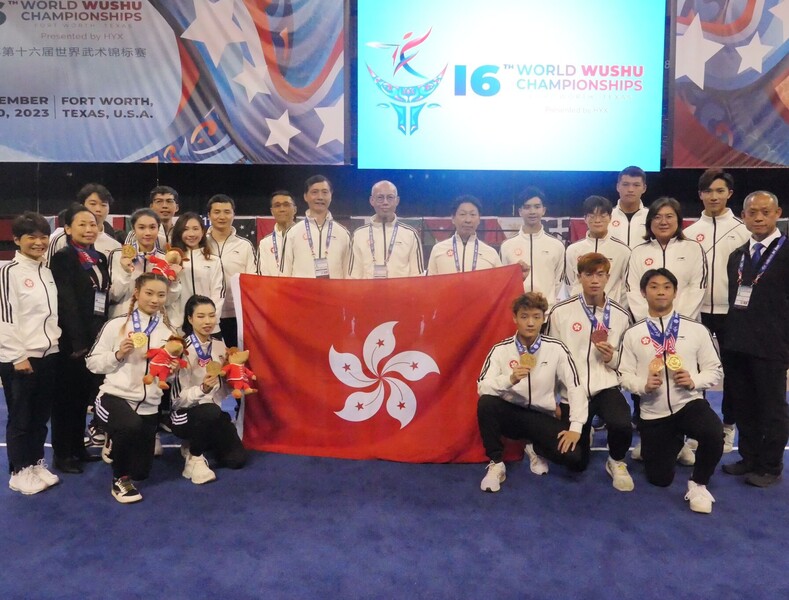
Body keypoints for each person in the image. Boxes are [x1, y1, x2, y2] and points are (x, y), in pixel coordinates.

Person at [618, 268, 723, 513]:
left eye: (666, 286)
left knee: (713, 432)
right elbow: (623, 375)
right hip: (654, 412)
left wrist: (694, 380)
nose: (661, 292)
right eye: (654, 287)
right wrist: (641, 386)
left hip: (688, 403)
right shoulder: (633, 334)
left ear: (675, 292)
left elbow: (715, 370)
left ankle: (698, 484)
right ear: (644, 293)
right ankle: (673, 443)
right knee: (659, 479)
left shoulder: (696, 329)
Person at [477, 292, 588, 493]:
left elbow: (576, 386)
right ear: (515, 318)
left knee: (576, 460)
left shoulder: (556, 349)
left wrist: (576, 427)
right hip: (511, 414)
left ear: (543, 319)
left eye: (536, 317)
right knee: (486, 403)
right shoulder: (500, 350)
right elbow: (481, 387)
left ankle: (535, 447)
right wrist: (509, 379)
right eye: (524, 316)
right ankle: (496, 462)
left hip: (541, 416)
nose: (530, 323)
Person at [86, 273, 178, 503]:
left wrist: (173, 369)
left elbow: (168, 376)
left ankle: (115, 439)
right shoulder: (116, 325)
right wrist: (118, 355)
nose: (155, 300)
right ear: (136, 294)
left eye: (161, 295)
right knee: (129, 426)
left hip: (149, 404)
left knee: (142, 472)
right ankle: (120, 480)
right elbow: (92, 363)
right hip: (114, 397)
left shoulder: (169, 333)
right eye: (149, 293)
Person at [545, 253, 634, 491]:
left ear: (607, 277)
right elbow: (551, 356)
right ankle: (584, 431)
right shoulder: (560, 312)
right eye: (588, 274)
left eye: (600, 274)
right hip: (571, 393)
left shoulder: (621, 315)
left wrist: (611, 357)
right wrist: (552, 398)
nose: (594, 280)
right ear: (579, 277)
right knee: (575, 463)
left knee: (623, 423)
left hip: (605, 387)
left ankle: (616, 460)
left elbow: (626, 361)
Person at [721, 191, 789, 487]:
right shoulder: (738, 255)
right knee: (743, 405)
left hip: (772, 346)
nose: (758, 217)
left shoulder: (786, 252)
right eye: (752, 213)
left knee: (772, 408)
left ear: (777, 214)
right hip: (737, 343)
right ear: (743, 216)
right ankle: (748, 457)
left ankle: (770, 466)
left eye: (765, 212)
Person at [683, 169, 749, 453]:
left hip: (732, 314)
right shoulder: (688, 233)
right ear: (700, 195)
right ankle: (700, 427)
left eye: (720, 191)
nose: (714, 196)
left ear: (730, 194)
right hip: (697, 315)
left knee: (733, 374)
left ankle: (728, 426)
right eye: (708, 191)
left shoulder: (743, 230)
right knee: (696, 374)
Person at [0, 212, 62, 495]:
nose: (39, 242)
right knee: (21, 417)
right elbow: (4, 318)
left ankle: (36, 464)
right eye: (31, 237)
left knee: (40, 416)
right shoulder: (8, 272)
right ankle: (18, 470)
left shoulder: (46, 271)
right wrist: (16, 356)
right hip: (21, 357)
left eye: (43, 236)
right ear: (16, 240)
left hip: (49, 354)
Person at [49, 204, 111, 474]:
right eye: (83, 224)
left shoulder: (99, 257)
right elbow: (67, 302)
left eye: (94, 224)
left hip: (94, 338)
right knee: (65, 400)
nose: (89, 229)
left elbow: (102, 297)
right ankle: (63, 455)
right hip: (72, 343)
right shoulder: (64, 258)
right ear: (67, 228)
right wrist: (77, 343)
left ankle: (78, 448)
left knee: (81, 399)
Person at [171, 295, 247, 484]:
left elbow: (222, 391)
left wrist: (234, 382)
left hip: (214, 412)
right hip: (184, 414)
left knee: (236, 460)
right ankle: (194, 457)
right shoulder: (181, 349)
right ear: (190, 319)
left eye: (212, 316)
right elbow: (177, 401)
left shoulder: (221, 346)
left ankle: (197, 442)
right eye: (201, 316)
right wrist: (202, 389)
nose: (207, 321)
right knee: (208, 411)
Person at [626, 197, 707, 322]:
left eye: (669, 216)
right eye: (657, 217)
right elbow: (633, 290)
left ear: (678, 220)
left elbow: (698, 288)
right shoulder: (638, 252)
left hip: (686, 324)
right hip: (647, 326)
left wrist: (677, 322)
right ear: (649, 221)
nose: (663, 222)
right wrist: (649, 321)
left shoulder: (693, 249)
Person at [107, 208, 180, 320]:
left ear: (158, 228)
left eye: (152, 227)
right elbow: (114, 296)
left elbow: (169, 301)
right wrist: (126, 273)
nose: (147, 233)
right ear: (133, 229)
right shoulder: (118, 255)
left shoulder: (165, 258)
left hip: (155, 322)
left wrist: (174, 282)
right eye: (141, 227)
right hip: (123, 320)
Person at [204, 194, 257, 348]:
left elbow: (253, 281)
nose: (222, 216)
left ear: (234, 214)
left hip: (237, 315)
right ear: (209, 215)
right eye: (217, 212)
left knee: (236, 361)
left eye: (227, 212)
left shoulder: (245, 246)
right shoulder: (200, 244)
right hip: (206, 316)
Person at [500, 187, 565, 307]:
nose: (532, 211)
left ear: (544, 210)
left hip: (546, 314)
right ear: (520, 211)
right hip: (517, 313)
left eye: (537, 206)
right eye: (527, 207)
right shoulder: (507, 246)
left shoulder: (557, 246)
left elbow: (559, 284)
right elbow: (503, 283)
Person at [565, 195, 631, 306]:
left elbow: (626, 288)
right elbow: (570, 283)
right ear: (585, 218)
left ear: (610, 217)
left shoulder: (623, 251)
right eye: (592, 216)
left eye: (602, 215)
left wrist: (617, 309)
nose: (597, 220)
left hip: (610, 312)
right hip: (579, 312)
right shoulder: (573, 250)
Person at [349, 180, 424, 278]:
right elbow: (353, 277)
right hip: (368, 293)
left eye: (390, 197)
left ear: (397, 201)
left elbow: (417, 276)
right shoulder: (359, 235)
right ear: (372, 200)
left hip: (400, 293)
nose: (385, 202)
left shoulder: (410, 234)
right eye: (380, 197)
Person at [282, 175, 351, 279]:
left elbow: (348, 274)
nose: (320, 197)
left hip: (333, 294)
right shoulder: (292, 232)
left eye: (325, 192)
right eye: (314, 192)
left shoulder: (343, 233)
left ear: (331, 195)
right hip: (302, 294)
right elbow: (284, 273)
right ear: (305, 196)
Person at [168, 212, 225, 334]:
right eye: (186, 229)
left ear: (203, 231)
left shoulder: (214, 261)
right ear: (179, 232)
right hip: (178, 326)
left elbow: (218, 292)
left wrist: (210, 319)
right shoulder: (170, 260)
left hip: (209, 327)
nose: (191, 234)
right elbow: (168, 296)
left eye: (195, 229)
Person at [46, 183, 121, 263]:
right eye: (93, 204)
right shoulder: (61, 239)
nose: (98, 209)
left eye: (103, 205)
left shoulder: (114, 245)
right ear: (82, 205)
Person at [426, 195, 501, 274]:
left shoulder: (491, 253)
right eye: (462, 214)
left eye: (473, 215)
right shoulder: (438, 250)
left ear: (479, 219)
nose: (468, 220)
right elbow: (430, 284)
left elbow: (501, 283)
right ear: (453, 218)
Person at [258, 190, 297, 276]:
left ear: (294, 209)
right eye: (277, 205)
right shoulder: (265, 243)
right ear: (272, 211)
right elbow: (264, 276)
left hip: (301, 288)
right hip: (275, 288)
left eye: (286, 205)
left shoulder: (305, 238)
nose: (282, 209)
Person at [609, 166, 650, 249]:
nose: (630, 189)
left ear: (644, 188)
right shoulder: (607, 216)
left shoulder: (652, 217)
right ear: (618, 187)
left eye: (636, 185)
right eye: (625, 184)